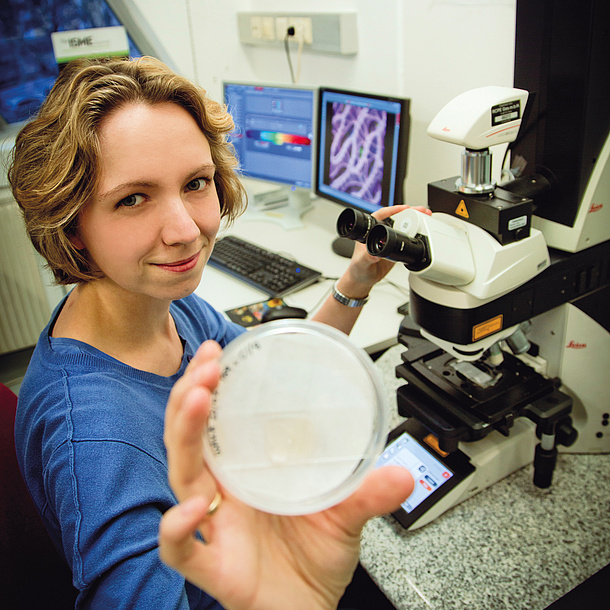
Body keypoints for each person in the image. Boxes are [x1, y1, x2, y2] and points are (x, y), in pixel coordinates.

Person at [9, 55, 418, 609]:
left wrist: (356, 279)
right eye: (133, 198)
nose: (186, 231)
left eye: (196, 183)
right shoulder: (97, 439)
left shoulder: (163, 308)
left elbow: (271, 375)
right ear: (72, 226)